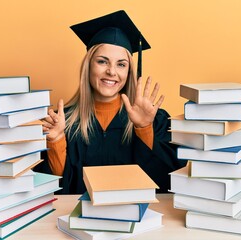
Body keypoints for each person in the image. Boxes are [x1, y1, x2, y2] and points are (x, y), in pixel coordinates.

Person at [34, 10, 186, 194]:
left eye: (121, 64)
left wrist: (144, 128)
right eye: (102, 62)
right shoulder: (63, 122)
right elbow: (52, 191)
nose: (112, 72)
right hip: (80, 220)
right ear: (88, 66)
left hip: (138, 220)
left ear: (129, 71)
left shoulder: (156, 119)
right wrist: (56, 140)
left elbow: (168, 182)